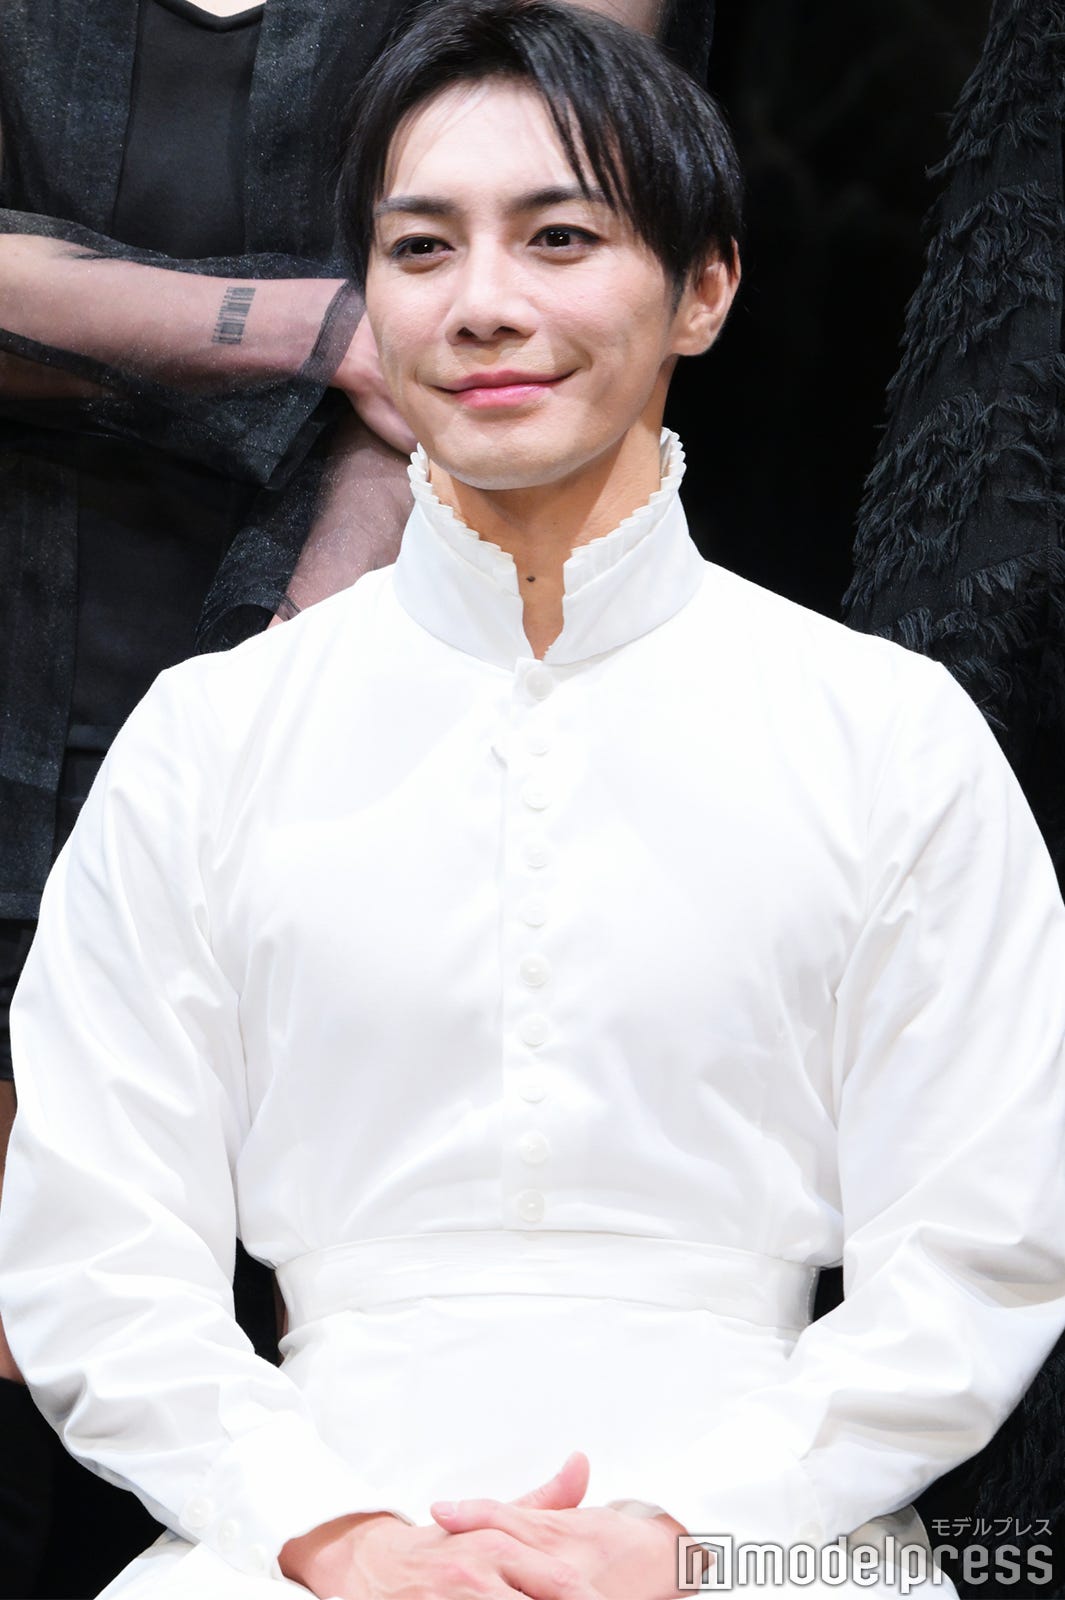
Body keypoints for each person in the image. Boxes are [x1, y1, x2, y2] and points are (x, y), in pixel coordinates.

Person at [2, 3, 1065, 1597]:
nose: (485, 303)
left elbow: (981, 1246)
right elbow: (97, 1254)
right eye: (421, 250)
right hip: (290, 1542)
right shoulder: (210, 741)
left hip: (773, 1545)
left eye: (559, 237)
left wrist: (692, 1533)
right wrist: (338, 1537)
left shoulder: (884, 736)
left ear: (704, 288)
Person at [0, 2, 709, 1593]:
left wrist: (315, 652)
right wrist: (325, 329)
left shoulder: (859, 736)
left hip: (409, 664)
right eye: (419, 254)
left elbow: (511, 304)